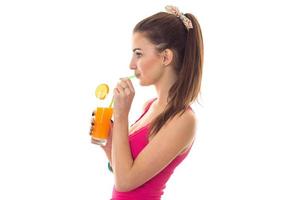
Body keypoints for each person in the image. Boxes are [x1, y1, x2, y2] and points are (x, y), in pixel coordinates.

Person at [90, 5, 204, 200]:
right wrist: (109, 143)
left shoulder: (184, 120)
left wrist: (121, 116)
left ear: (166, 57)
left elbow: (125, 183)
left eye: (139, 53)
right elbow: (124, 171)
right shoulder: (150, 106)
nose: (131, 64)